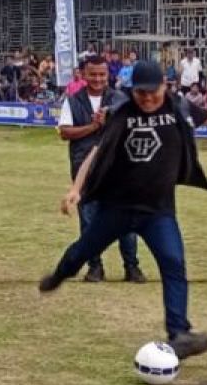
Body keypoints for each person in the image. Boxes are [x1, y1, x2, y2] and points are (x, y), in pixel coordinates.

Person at [39, 60, 207, 360]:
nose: (148, 99)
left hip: (158, 212)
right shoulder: (121, 113)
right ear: (132, 90)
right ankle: (60, 274)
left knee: (173, 263)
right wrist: (76, 189)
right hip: (117, 208)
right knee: (81, 252)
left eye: (154, 92)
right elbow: (96, 152)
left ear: (165, 86)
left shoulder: (179, 108)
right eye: (141, 93)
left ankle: (179, 333)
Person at [57, 56, 144, 283]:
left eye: (102, 74)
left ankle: (132, 267)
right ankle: (95, 267)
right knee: (89, 220)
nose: (97, 79)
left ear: (108, 75)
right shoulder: (73, 101)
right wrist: (94, 126)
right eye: (93, 74)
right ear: (83, 74)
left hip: (119, 167)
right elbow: (65, 132)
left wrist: (111, 121)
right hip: (84, 168)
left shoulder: (121, 99)